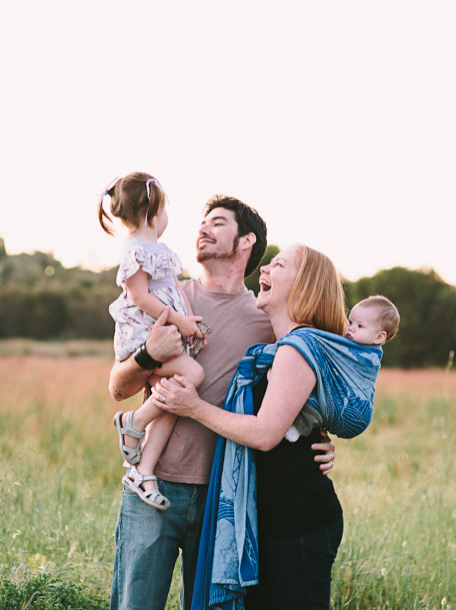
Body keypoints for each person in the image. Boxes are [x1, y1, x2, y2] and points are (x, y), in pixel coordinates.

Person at [107, 196, 337, 610]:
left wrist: (317, 439)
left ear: (246, 240)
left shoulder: (269, 320)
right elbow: (117, 387)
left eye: (217, 223)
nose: (203, 229)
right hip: (152, 485)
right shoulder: (168, 299)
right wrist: (148, 354)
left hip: (226, 498)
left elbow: (299, 390)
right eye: (202, 223)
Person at [152, 244, 374, 609]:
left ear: (303, 286)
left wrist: (193, 407)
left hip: (297, 520)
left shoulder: (297, 348)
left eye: (280, 264)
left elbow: (266, 434)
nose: (266, 268)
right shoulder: (282, 347)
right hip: (274, 517)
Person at [99, 172, 208, 511]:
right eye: (166, 210)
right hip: (146, 335)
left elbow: (174, 290)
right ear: (151, 212)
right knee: (194, 377)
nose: (167, 218)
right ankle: (133, 422)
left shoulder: (159, 250)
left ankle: (143, 470)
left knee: (174, 400)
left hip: (170, 330)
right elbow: (141, 297)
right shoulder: (133, 251)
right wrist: (179, 322)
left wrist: (193, 324)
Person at [286, 294, 400, 442]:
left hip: (356, 407)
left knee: (310, 397)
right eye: (350, 322)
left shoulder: (369, 356)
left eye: (360, 326)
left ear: (379, 337)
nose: (351, 328)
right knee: (314, 393)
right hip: (358, 415)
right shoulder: (355, 346)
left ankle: (301, 425)